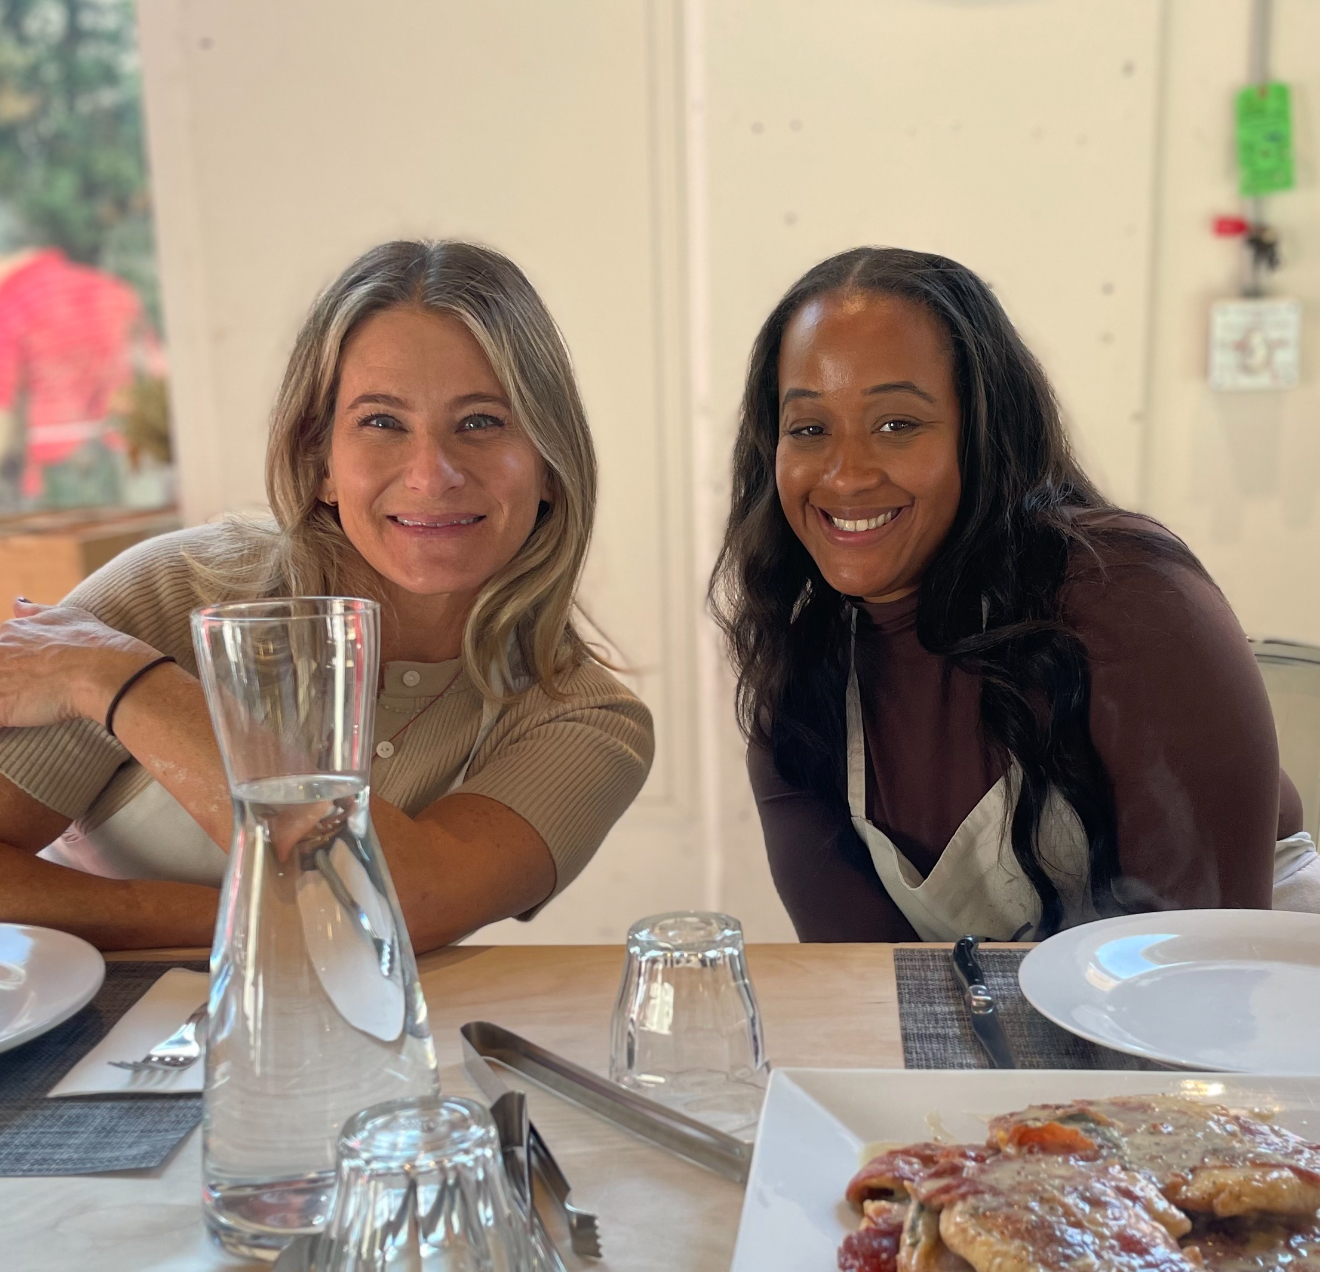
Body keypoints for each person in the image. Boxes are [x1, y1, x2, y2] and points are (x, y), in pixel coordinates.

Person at [0, 240, 653, 951]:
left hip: (374, 1059)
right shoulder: (171, 591)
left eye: (481, 422)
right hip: (85, 1049)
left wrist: (121, 684)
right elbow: (361, 914)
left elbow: (409, 904)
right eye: (382, 422)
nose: (432, 475)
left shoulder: (585, 720)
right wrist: (256, 923)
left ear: (551, 466)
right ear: (322, 465)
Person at [710, 246, 1319, 943]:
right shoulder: (800, 699)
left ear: (984, 432)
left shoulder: (1128, 593)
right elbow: (867, 996)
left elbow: (1200, 977)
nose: (845, 475)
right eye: (809, 429)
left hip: (1264, 1021)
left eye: (897, 424)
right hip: (1030, 1045)